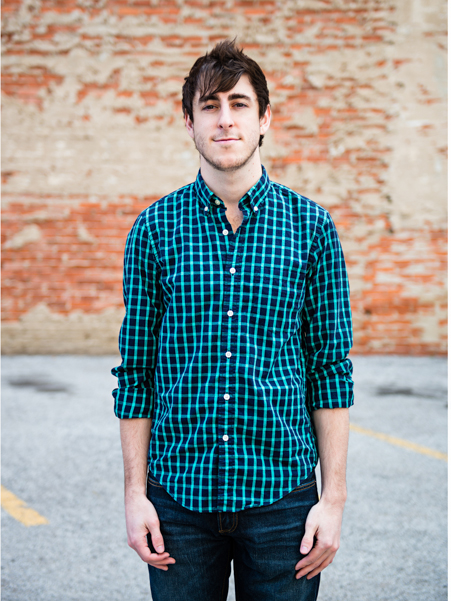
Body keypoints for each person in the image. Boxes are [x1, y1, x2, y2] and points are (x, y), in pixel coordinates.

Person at [112, 39, 354, 601]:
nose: (225, 120)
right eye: (210, 106)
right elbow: (137, 372)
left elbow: (330, 369)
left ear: (265, 118)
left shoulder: (311, 228)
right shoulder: (153, 230)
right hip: (178, 500)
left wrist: (333, 498)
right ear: (189, 123)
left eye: (240, 104)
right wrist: (134, 494)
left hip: (283, 500)